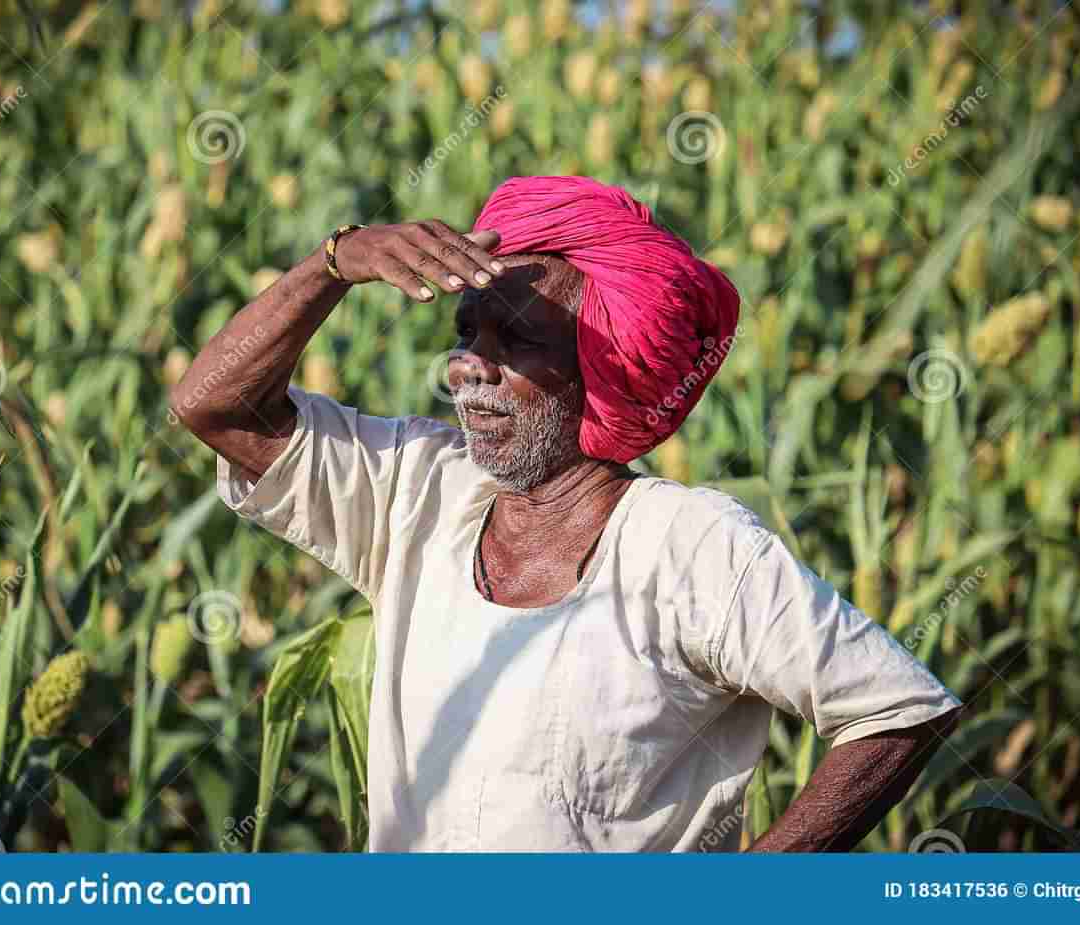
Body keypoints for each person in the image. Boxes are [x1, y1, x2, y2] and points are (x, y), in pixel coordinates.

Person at [171, 175, 963, 852]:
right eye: (464, 330)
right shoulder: (418, 492)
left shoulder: (690, 548)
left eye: (512, 339)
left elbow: (898, 710)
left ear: (599, 369)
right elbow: (217, 407)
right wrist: (334, 263)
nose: (467, 364)